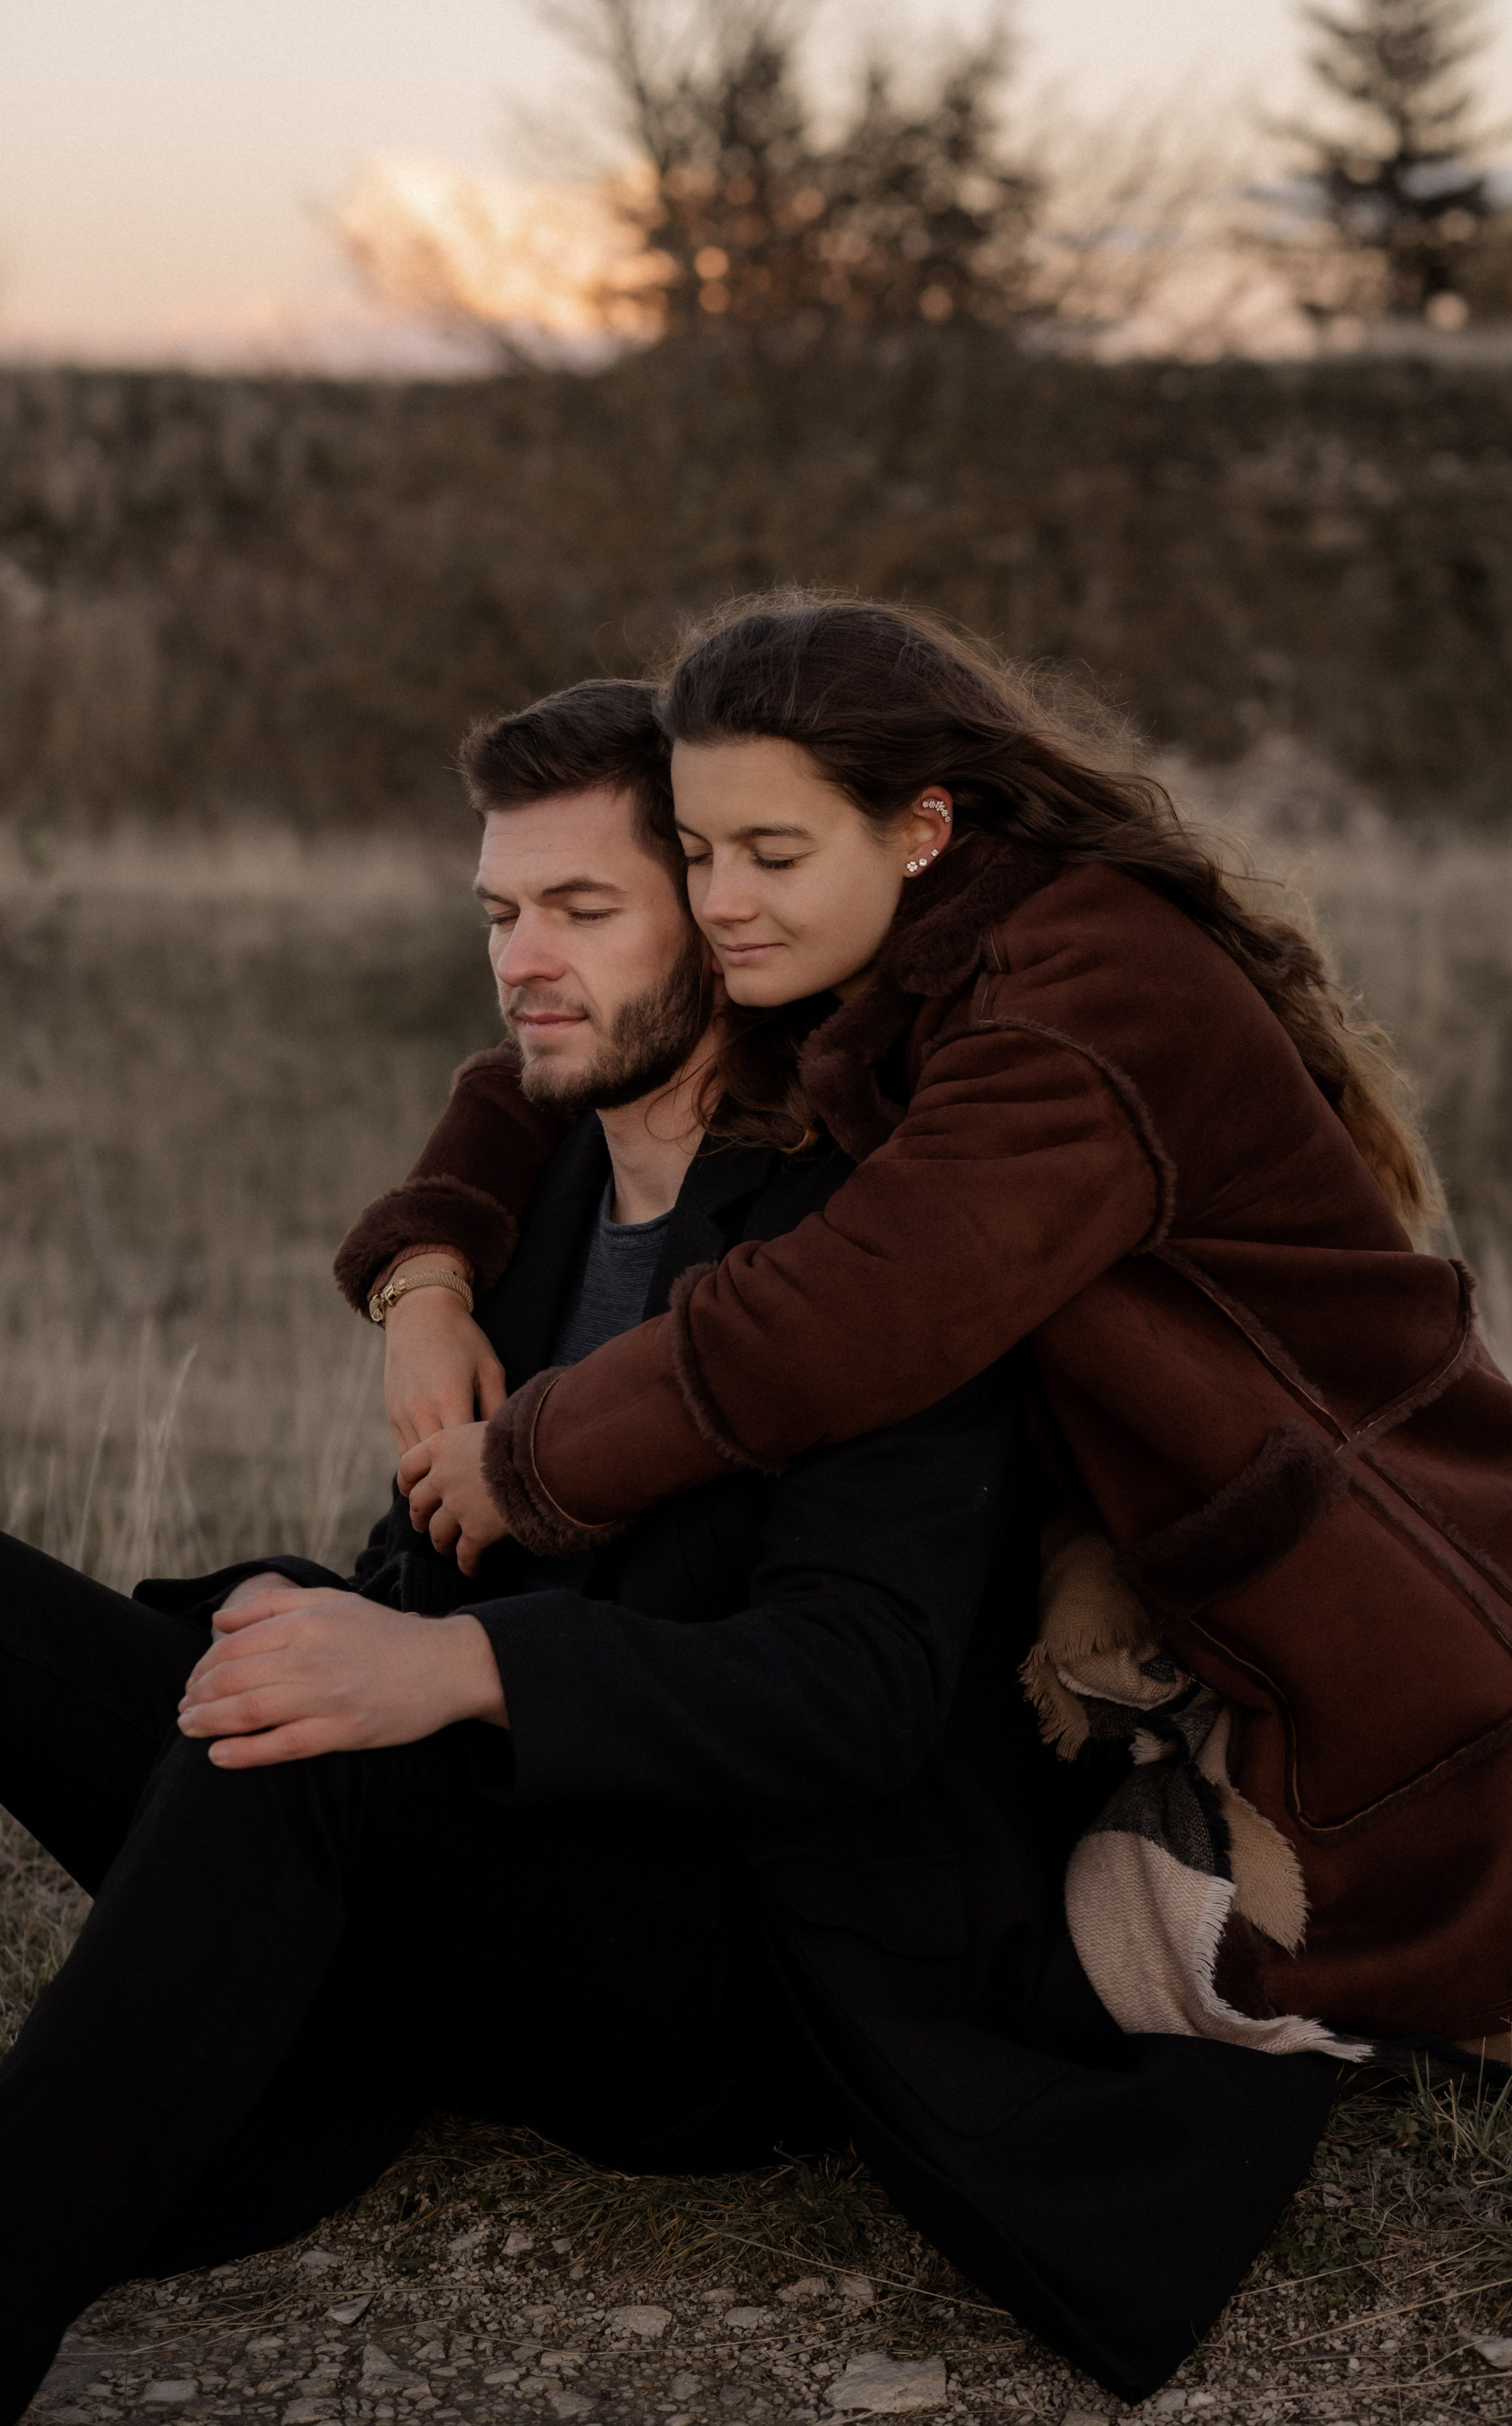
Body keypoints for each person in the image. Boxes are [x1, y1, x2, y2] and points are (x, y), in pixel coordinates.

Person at [0, 681, 1333, 2426]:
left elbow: (859, 1688)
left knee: (314, 1744)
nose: (525, 961)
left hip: (718, 1956)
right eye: (502, 913)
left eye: (585, 910)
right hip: (475, 1856)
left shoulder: (867, 1242)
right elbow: (433, 1553)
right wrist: (364, 1570)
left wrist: (449, 1669)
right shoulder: (540, 1184)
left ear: (728, 931)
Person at [337, 596, 1512, 2059]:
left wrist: (535, 1459)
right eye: (696, 855)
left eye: (770, 854)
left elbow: (854, 1311)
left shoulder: (1070, 1004)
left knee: (1348, 1959)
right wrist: (423, 1278)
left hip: (1365, 1561)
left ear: (920, 825)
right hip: (1175, 1527)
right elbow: (529, 1062)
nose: (719, 902)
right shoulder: (910, 942)